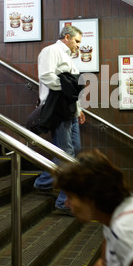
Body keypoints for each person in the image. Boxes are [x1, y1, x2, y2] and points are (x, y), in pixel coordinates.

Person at [33, 25, 85, 215]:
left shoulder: (69, 58)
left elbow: (71, 88)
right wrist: (66, 91)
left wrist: (78, 109)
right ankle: (63, 201)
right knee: (67, 152)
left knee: (75, 150)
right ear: (67, 38)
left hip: (69, 109)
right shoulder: (51, 51)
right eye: (77, 41)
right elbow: (46, 76)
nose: (78, 46)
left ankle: (44, 181)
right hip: (56, 108)